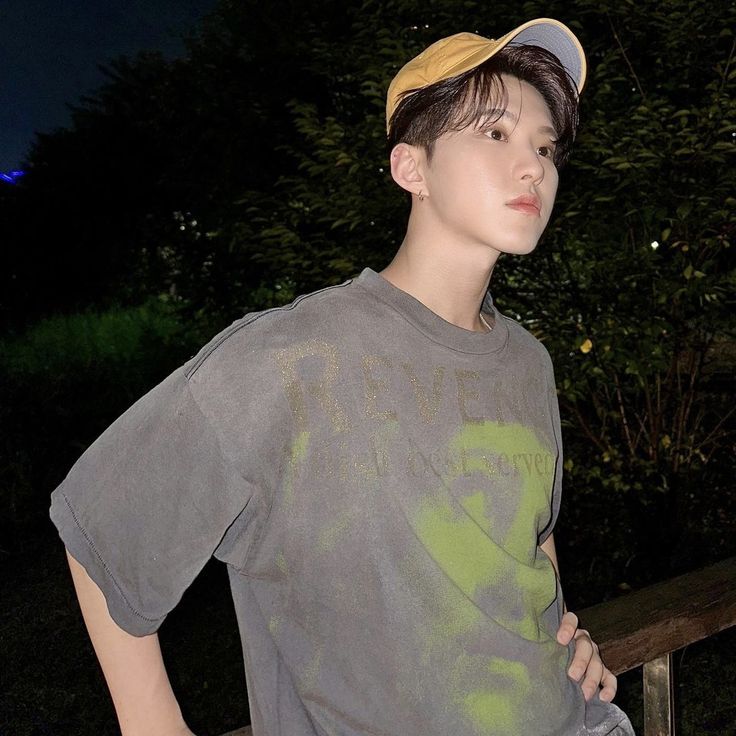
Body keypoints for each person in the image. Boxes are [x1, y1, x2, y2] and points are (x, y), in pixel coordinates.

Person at [50, 17, 635, 736]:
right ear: (410, 169)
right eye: (495, 134)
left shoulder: (527, 361)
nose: (534, 166)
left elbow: (531, 536)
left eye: (546, 147)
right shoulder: (294, 358)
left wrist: (563, 638)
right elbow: (103, 529)